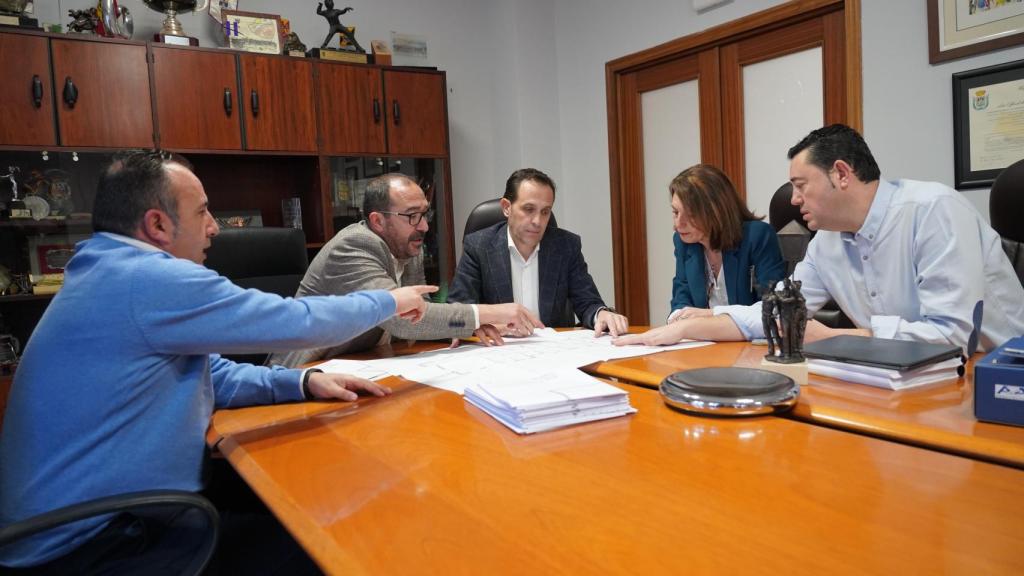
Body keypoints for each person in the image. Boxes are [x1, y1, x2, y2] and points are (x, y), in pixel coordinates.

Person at [0, 151, 433, 573]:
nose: (214, 229)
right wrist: (388, 301)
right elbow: (297, 322)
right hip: (95, 544)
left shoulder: (107, 271)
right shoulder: (145, 278)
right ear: (157, 224)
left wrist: (300, 383)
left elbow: (210, 373)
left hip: (102, 518)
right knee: (330, 537)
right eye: (204, 212)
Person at [615, 124, 1024, 353]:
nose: (792, 200)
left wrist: (836, 337)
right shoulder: (827, 241)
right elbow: (778, 311)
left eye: (800, 185)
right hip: (901, 375)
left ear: (841, 174)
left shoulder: (934, 211)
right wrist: (687, 329)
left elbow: (954, 336)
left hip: (991, 378)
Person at [267, 174, 544, 368]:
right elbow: (400, 318)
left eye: (424, 214)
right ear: (377, 221)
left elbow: (419, 314)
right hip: (303, 372)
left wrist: (473, 326)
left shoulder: (407, 245)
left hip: (362, 363)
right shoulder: (354, 246)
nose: (423, 226)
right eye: (412, 216)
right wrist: (490, 313)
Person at [448, 168, 629, 337]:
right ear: (506, 207)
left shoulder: (566, 246)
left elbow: (588, 303)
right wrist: (484, 327)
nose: (538, 221)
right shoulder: (479, 246)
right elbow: (453, 317)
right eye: (529, 209)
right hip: (499, 351)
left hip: (553, 354)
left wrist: (601, 314)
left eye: (545, 212)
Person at [666, 164, 785, 322]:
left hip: (750, 340)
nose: (678, 224)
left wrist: (713, 313)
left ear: (716, 211)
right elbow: (681, 298)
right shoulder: (684, 243)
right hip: (705, 339)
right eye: (675, 212)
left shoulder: (757, 237)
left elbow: (771, 306)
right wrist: (677, 319)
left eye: (690, 214)